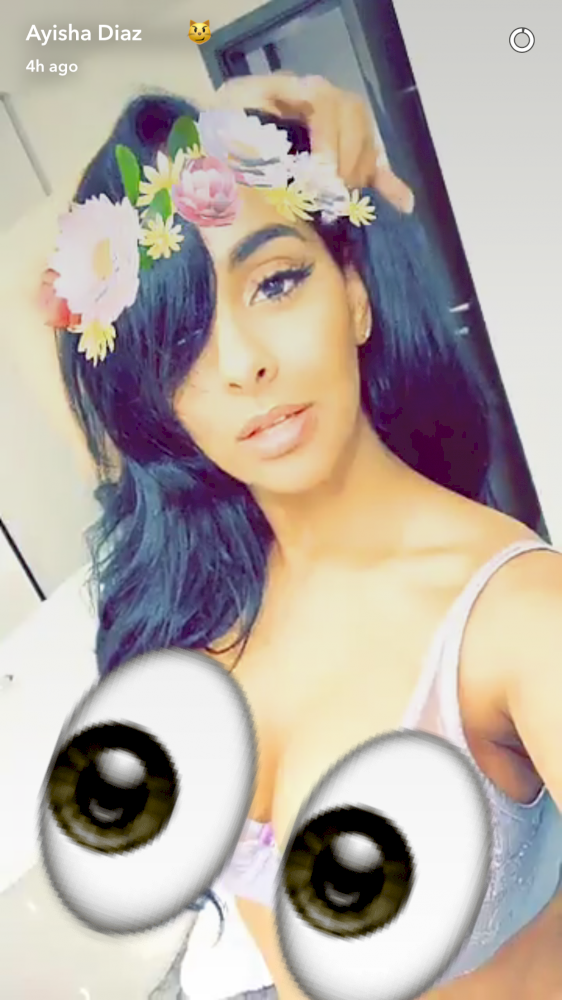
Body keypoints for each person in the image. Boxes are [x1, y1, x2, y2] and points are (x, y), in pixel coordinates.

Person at [34, 73, 562, 1000]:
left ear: (353, 292)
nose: (244, 363)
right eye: (182, 336)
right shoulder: (209, 612)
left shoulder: (515, 617)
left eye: (275, 282)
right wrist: (224, 112)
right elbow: (32, 303)